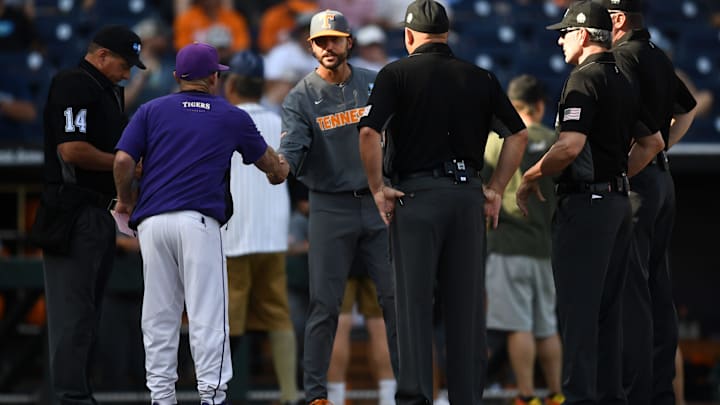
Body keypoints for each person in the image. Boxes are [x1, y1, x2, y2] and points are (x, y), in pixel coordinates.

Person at [358, 0, 529, 403]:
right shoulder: (480, 76)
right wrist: (494, 187)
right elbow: (517, 135)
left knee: (413, 307)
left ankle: (416, 398)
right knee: (467, 310)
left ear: (408, 36)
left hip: (415, 196)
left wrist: (378, 187)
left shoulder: (395, 74)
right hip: (467, 196)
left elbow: (368, 134)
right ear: (447, 35)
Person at [112, 42, 289, 405]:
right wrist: (282, 168)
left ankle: (162, 399)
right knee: (208, 315)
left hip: (153, 223)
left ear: (177, 77)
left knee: (159, 315)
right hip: (198, 222)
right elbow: (273, 169)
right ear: (213, 77)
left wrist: (125, 201)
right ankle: (211, 397)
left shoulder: (150, 109)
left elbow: (122, 162)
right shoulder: (231, 115)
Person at [516, 1, 665, 403]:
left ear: (583, 35)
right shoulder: (621, 76)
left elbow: (569, 146)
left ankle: (581, 398)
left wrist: (530, 176)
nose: (561, 40)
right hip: (616, 205)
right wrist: (616, 177)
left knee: (578, 316)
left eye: (564, 33)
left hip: (587, 209)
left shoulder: (584, 79)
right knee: (608, 315)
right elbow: (653, 142)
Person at [277, 9, 398, 405]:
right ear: (311, 47)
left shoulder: (374, 82)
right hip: (329, 205)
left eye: (335, 39)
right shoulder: (300, 95)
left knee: (396, 300)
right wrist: (280, 166)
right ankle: (316, 396)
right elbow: (292, 149)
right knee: (324, 306)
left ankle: (410, 390)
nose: (328, 47)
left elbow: (398, 136)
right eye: (320, 41)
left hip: (376, 199)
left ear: (349, 42)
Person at [30, 24, 145, 404]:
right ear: (101, 56)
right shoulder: (74, 83)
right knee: (73, 314)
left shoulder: (108, 90)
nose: (128, 72)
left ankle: (71, 394)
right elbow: (72, 150)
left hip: (99, 212)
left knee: (87, 315)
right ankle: (68, 397)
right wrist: (124, 164)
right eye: (124, 63)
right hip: (72, 210)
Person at [593, 0, 698, 403]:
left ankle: (636, 392)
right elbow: (686, 112)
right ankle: (658, 392)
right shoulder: (657, 55)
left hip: (635, 184)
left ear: (618, 19)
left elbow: (636, 129)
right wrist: (660, 149)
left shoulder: (620, 57)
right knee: (657, 287)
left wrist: (633, 163)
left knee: (632, 292)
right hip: (661, 181)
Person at [221, 50, 300, 405]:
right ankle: (288, 394)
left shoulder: (222, 120)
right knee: (278, 313)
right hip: (271, 233)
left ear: (232, 83)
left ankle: (217, 393)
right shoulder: (279, 118)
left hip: (232, 235)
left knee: (226, 317)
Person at [483, 74, 564, 405]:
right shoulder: (556, 139)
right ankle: (556, 394)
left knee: (519, 327)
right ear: (540, 105)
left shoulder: (494, 140)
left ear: (511, 106)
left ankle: (527, 395)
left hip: (507, 246)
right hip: (544, 248)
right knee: (546, 326)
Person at [327, 272, 396, 405]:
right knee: (379, 323)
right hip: (376, 257)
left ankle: (334, 400)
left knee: (339, 323)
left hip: (340, 257)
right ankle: (388, 399)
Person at [173, 0, 251, 52]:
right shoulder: (186, 19)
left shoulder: (233, 18)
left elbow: (242, 45)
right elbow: (182, 47)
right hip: (197, 64)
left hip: (228, 63)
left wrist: (225, 52)